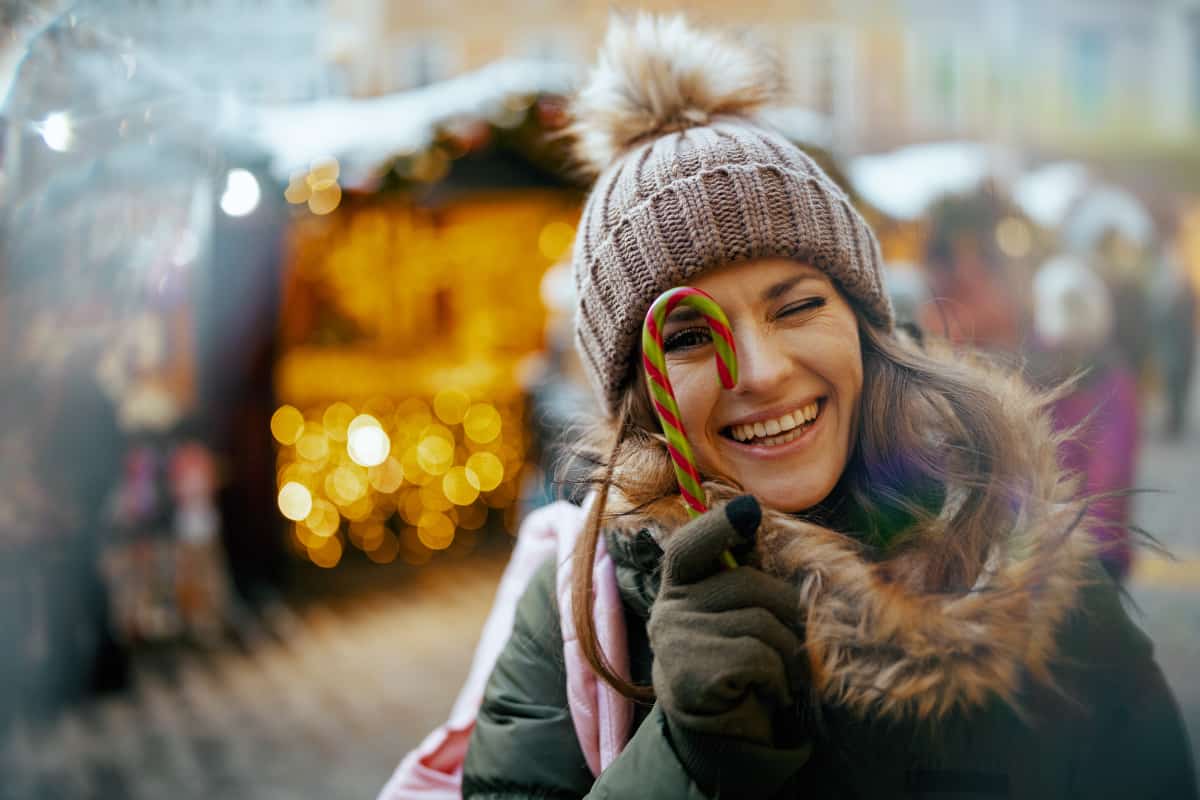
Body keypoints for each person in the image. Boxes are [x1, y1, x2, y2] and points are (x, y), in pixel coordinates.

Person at [461, 14, 1196, 799]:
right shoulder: (581, 612)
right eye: (688, 335)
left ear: (865, 323)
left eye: (796, 306)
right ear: (638, 396)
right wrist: (682, 760)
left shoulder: (1033, 570)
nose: (765, 372)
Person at [1028, 256, 1139, 581]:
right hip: (1055, 547)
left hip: (1092, 551)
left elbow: (1111, 470)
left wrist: (1084, 544)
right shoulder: (1038, 375)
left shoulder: (1111, 384)